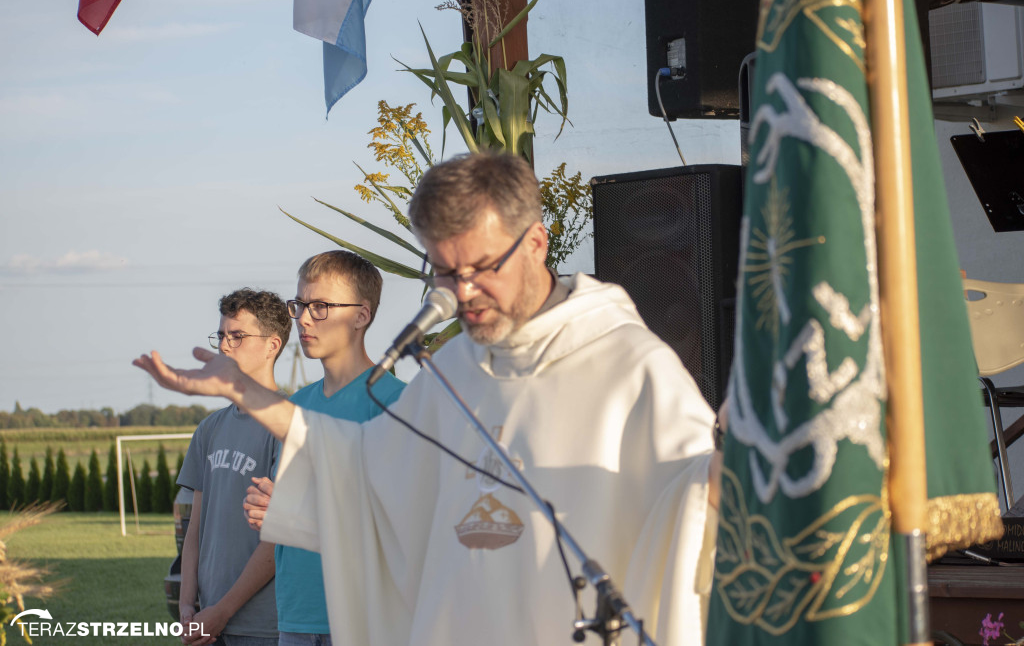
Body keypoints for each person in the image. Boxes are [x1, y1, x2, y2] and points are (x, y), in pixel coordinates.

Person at [138, 151, 719, 646]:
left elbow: (700, 517)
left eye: (481, 267)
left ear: (536, 243)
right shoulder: (459, 367)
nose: (462, 293)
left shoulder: (629, 367)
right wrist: (242, 389)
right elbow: (364, 468)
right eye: (443, 272)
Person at [244, 251, 406, 646]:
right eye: (299, 304)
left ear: (361, 315)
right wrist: (270, 511)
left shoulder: (396, 403)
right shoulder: (295, 406)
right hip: (297, 614)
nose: (302, 318)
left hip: (364, 618)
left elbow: (399, 522)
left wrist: (291, 510)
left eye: (320, 307)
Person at [176, 288, 290, 646]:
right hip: (208, 621)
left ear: (272, 345)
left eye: (237, 337)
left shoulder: (286, 426)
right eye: (222, 336)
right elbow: (195, 527)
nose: (224, 347)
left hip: (263, 625)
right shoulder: (209, 428)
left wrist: (223, 610)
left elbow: (279, 539)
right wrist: (187, 603)